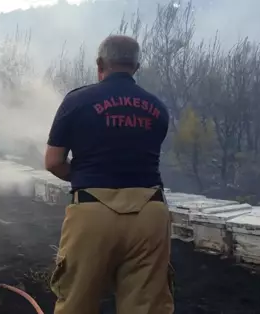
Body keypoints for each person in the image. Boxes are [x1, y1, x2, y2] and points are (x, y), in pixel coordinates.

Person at [44, 35, 174, 314]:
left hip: (92, 212)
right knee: (147, 306)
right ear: (135, 67)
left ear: (100, 64)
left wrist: (85, 176)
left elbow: (53, 162)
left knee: (77, 302)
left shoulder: (77, 100)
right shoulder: (158, 108)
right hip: (150, 213)